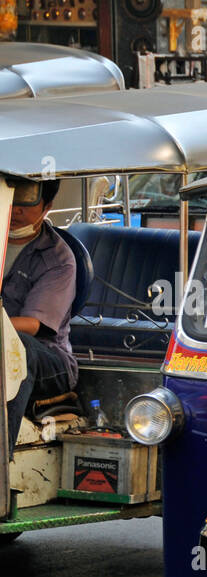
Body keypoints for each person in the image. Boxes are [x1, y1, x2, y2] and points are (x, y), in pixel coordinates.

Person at [4, 178, 78, 454]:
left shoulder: (58, 259)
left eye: (27, 200)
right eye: (12, 197)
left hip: (50, 361)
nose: (16, 208)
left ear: (47, 206)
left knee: (15, 348)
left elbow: (32, 325)